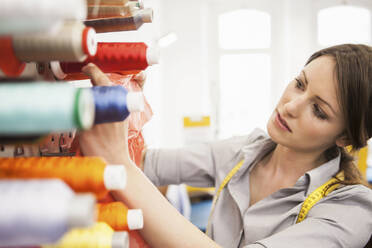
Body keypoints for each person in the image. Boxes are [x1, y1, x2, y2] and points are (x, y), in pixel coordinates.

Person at [79, 44, 372, 248]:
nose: (291, 105)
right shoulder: (244, 152)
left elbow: (126, 164)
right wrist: (129, 112)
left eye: (318, 110)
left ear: (344, 137)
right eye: (299, 83)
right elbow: (144, 162)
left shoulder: (351, 209)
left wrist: (119, 161)